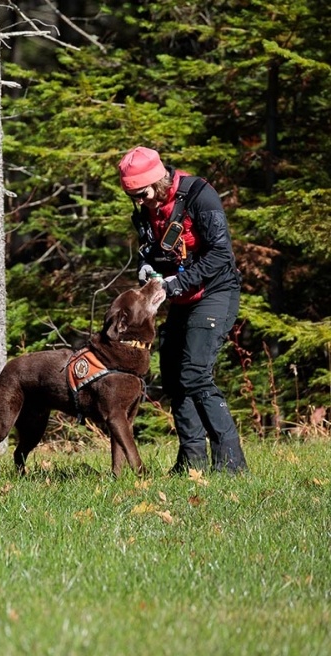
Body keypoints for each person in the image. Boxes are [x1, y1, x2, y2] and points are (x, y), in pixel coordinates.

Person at [118, 146, 248, 474]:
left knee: (196, 373)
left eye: (143, 192)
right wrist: (147, 267)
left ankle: (231, 465)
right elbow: (153, 250)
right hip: (182, 296)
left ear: (158, 179)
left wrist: (174, 285)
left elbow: (220, 253)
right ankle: (192, 464)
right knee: (175, 378)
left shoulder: (200, 196)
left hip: (216, 291)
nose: (141, 200)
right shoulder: (146, 209)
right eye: (134, 196)